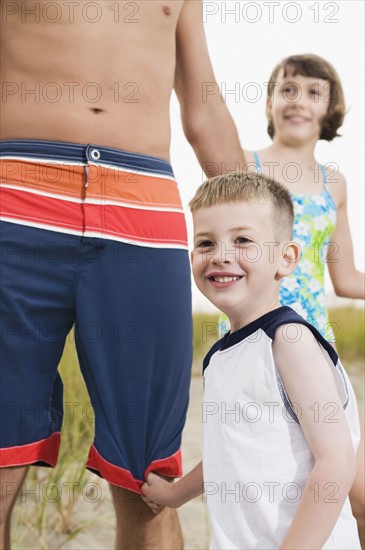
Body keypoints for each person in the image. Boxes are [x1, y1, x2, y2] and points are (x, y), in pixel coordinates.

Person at [0, 1, 245, 549]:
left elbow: (203, 108)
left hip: (143, 210)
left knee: (148, 479)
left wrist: (255, 226)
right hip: (16, 199)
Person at [142, 172, 361, 549]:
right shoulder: (219, 356)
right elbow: (229, 451)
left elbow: (337, 460)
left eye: (242, 240)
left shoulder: (290, 340)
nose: (221, 255)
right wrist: (175, 495)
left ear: (286, 258)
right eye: (206, 243)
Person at [219, 54, 365, 545]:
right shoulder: (245, 164)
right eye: (287, 89)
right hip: (255, 339)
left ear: (330, 108)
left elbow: (344, 278)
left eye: (312, 91)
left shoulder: (335, 183)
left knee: (357, 489)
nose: (297, 100)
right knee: (267, 476)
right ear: (269, 101)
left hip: (316, 347)